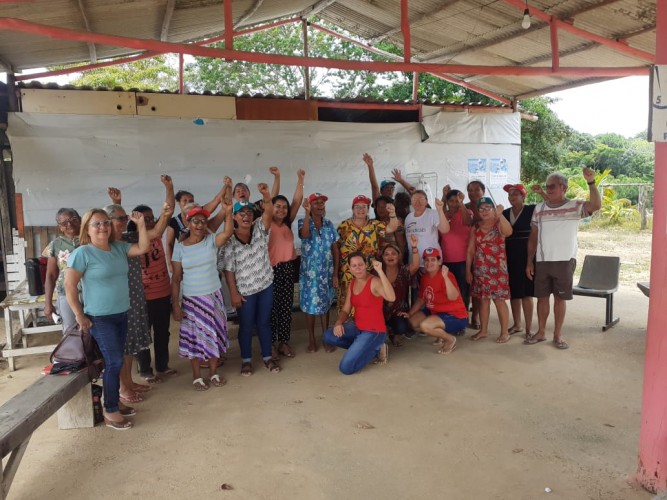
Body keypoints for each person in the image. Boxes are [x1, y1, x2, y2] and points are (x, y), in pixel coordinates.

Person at [65, 208, 149, 430]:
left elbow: (142, 247)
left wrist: (140, 224)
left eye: (105, 223)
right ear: (87, 229)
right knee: (114, 362)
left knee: (116, 359)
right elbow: (69, 286)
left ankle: (115, 403)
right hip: (99, 318)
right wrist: (79, 314)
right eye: (96, 224)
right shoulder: (83, 253)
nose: (102, 227)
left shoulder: (118, 247)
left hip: (122, 313)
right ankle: (110, 410)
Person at [524, 168, 601, 349]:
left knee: (560, 299)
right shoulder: (539, 208)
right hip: (542, 261)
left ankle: (557, 335)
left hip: (565, 260)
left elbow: (596, 205)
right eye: (547, 186)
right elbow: (533, 236)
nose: (549, 189)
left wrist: (591, 183)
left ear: (563, 187)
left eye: (552, 186)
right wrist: (529, 261)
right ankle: (541, 332)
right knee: (541, 298)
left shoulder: (574, 206)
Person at [171, 201, 234, 390]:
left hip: (213, 297)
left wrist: (228, 212)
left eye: (203, 221)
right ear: (188, 223)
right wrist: (175, 304)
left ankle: (213, 373)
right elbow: (176, 279)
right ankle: (197, 376)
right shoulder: (180, 247)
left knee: (213, 335)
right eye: (196, 221)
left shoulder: (211, 241)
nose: (199, 225)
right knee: (194, 338)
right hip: (192, 300)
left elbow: (228, 232)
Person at [219, 183, 279, 376]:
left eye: (249, 213)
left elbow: (268, 212)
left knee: (263, 322)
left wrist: (266, 195)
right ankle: (246, 360)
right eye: (241, 213)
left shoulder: (260, 229)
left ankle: (268, 357)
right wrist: (234, 293)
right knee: (245, 325)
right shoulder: (229, 241)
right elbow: (229, 270)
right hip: (245, 291)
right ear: (234, 217)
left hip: (265, 284)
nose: (246, 216)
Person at [126, 176, 179, 382]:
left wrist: (169, 187)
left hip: (162, 292)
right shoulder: (129, 239)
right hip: (141, 296)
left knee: (162, 333)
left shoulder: (157, 234)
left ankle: (162, 366)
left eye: (150, 218)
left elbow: (169, 209)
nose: (148, 221)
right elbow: (115, 223)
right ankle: (145, 370)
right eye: (143, 218)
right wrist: (117, 205)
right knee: (143, 335)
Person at [323, 253, 395, 375]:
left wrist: (380, 272)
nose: (358, 268)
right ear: (350, 268)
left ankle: (377, 349)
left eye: (360, 265)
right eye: (354, 266)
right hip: (357, 327)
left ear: (366, 265)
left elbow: (391, 297)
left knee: (346, 368)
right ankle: (366, 348)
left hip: (374, 331)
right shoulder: (352, 283)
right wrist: (338, 323)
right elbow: (346, 309)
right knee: (328, 336)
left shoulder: (374, 281)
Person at [334, 194, 399, 315]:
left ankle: (366, 327)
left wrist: (393, 214)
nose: (361, 210)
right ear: (352, 209)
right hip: (348, 272)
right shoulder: (343, 226)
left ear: (368, 209)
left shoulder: (375, 224)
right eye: (357, 207)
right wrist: (335, 272)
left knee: (367, 300)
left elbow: (392, 227)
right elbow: (335, 248)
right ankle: (347, 328)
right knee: (347, 301)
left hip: (368, 271)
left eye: (364, 206)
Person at [400, 247, 468, 354]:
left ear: (439, 261)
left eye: (433, 260)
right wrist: (410, 313)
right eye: (426, 260)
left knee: (425, 326)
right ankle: (439, 334)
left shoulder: (447, 275)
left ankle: (450, 339)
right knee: (413, 323)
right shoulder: (425, 277)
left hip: (454, 315)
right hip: (435, 311)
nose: (429, 263)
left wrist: (445, 278)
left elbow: (453, 296)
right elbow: (421, 299)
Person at [269, 168, 305, 360]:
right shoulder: (265, 223)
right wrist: (277, 177)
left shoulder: (287, 223)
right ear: (271, 208)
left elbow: (297, 201)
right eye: (278, 206)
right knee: (271, 309)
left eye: (284, 207)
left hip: (287, 269)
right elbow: (270, 200)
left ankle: (284, 342)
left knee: (285, 307)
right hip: (271, 271)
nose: (282, 210)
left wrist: (300, 180)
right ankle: (271, 345)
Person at [466, 197, 512, 343]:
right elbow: (470, 251)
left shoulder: (499, 223)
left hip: (498, 271)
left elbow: (509, 231)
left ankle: (505, 332)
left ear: (493, 209)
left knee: (499, 300)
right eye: (481, 209)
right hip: (480, 270)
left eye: (488, 208)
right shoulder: (476, 227)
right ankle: (483, 331)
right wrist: (468, 270)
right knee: (483, 301)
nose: (484, 211)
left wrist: (500, 215)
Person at [298, 193, 337, 353]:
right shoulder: (303, 222)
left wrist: (335, 272)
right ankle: (311, 338)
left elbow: (335, 249)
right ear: (310, 206)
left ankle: (325, 338)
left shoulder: (329, 224)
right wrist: (307, 213)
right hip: (309, 275)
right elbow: (305, 234)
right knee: (310, 306)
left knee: (326, 306)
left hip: (327, 273)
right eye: (316, 203)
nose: (320, 206)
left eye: (322, 203)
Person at [165, 182, 227, 272]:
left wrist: (226, 186)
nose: (188, 203)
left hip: (206, 262)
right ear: (178, 203)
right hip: (187, 263)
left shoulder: (200, 212)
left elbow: (216, 200)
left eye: (190, 201)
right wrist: (170, 265)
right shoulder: (173, 222)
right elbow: (169, 244)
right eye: (184, 200)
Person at [502, 183, 536, 337]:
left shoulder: (531, 210)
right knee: (514, 292)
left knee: (527, 293)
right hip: (509, 256)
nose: (511, 197)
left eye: (515, 194)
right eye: (510, 195)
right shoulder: (504, 213)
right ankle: (517, 325)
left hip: (527, 255)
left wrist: (530, 260)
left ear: (523, 196)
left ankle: (529, 328)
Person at [44, 208, 81, 333]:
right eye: (64, 222)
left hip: (92, 293)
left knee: (95, 331)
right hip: (65, 294)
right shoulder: (55, 245)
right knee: (71, 332)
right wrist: (48, 303)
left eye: (73, 220)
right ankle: (74, 354)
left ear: (81, 220)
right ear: (60, 227)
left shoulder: (91, 240)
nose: (69, 224)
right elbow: (51, 275)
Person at [380, 234, 420, 346]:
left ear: (399, 256)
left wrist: (414, 248)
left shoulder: (403, 271)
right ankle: (387, 331)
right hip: (380, 312)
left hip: (398, 311)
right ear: (382, 257)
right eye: (386, 254)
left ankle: (395, 334)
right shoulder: (378, 272)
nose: (390, 256)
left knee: (402, 327)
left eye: (393, 253)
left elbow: (415, 266)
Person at [440, 186, 473, 316]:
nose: (454, 204)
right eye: (451, 201)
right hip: (446, 259)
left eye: (456, 201)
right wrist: (444, 195)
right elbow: (440, 211)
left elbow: (468, 221)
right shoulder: (444, 215)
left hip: (463, 260)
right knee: (448, 290)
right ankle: (451, 316)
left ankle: (463, 317)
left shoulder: (466, 212)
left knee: (463, 289)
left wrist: (461, 203)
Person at [404, 190, 449, 266]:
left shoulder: (433, 213)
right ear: (411, 202)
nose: (418, 202)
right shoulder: (408, 217)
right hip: (414, 263)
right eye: (414, 199)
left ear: (426, 201)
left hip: (431, 262)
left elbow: (445, 230)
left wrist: (440, 210)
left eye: (421, 199)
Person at [465, 180, 486, 329]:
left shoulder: (488, 207)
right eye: (470, 190)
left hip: (484, 253)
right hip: (465, 251)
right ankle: (463, 314)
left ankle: (476, 316)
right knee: (467, 285)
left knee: (479, 287)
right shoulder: (464, 207)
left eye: (476, 190)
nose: (473, 193)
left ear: (483, 191)